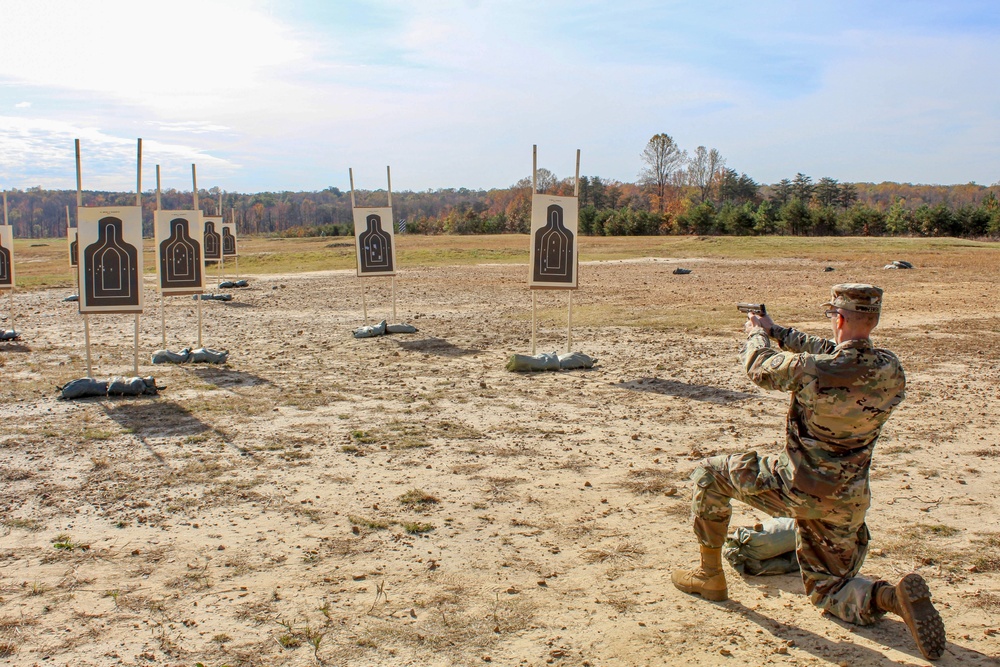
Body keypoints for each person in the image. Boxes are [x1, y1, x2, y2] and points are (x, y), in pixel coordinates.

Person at [671, 284, 946, 661]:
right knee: (828, 590)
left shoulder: (810, 369)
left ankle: (709, 576)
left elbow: (758, 367)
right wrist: (777, 330)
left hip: (795, 486)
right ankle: (888, 596)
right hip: (848, 499)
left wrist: (756, 335)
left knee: (709, 473)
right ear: (874, 319)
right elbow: (836, 354)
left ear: (839, 317)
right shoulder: (891, 370)